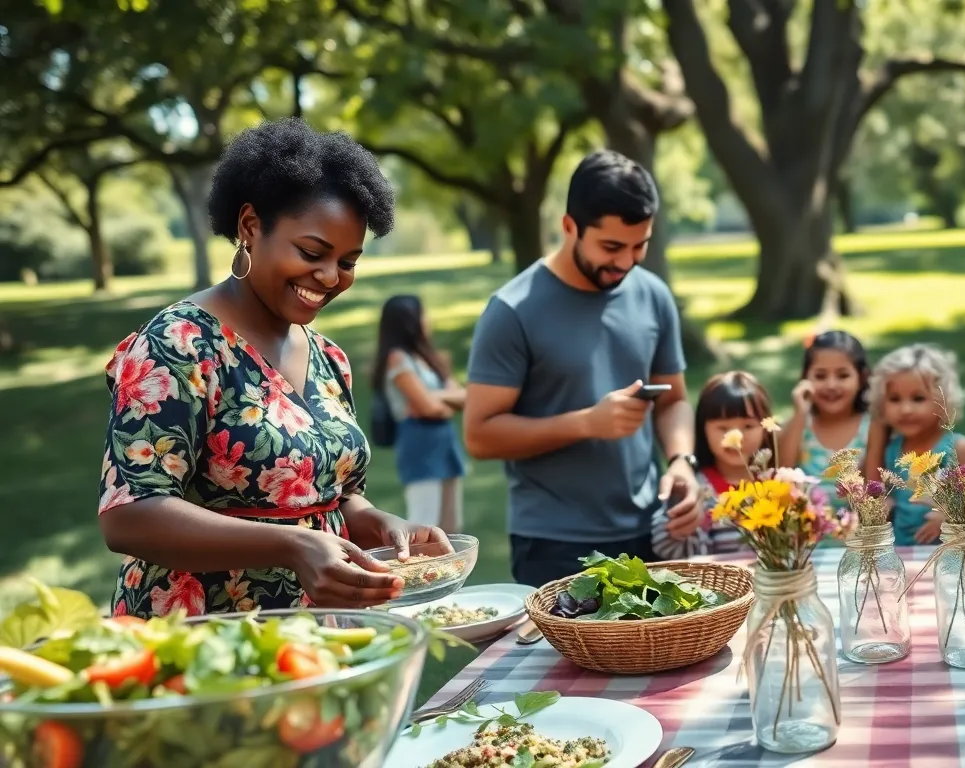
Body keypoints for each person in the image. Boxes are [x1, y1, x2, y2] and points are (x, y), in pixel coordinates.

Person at [97, 119, 449, 618]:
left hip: (319, 635)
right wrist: (290, 547)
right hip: (202, 638)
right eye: (311, 252)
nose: (329, 277)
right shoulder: (180, 345)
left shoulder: (329, 359)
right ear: (249, 227)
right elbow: (130, 517)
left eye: (348, 261)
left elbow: (329, 497)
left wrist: (380, 522)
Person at [463, 150, 698, 587]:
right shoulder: (512, 310)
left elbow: (675, 400)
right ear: (569, 226)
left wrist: (682, 461)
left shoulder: (654, 296)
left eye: (639, 246)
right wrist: (587, 423)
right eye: (611, 247)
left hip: (649, 531)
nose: (626, 262)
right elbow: (479, 435)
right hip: (553, 544)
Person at [373, 295, 469, 533]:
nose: (428, 320)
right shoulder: (398, 358)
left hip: (443, 439)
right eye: (423, 314)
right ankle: (419, 570)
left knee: (451, 524)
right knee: (424, 522)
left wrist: (430, 397)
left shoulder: (428, 358)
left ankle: (451, 570)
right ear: (409, 321)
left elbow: (464, 398)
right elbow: (432, 408)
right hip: (419, 441)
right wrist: (439, 401)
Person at [864, 344, 965, 546]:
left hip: (949, 553)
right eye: (894, 399)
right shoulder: (892, 450)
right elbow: (877, 495)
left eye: (918, 398)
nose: (906, 409)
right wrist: (885, 505)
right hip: (902, 552)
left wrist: (948, 518)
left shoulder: (958, 448)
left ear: (944, 399)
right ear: (882, 403)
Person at [651, 371, 769, 559]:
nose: (736, 437)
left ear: (765, 428)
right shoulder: (694, 489)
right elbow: (666, 548)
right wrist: (680, 530)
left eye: (748, 426)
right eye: (723, 428)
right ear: (702, 430)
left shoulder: (776, 486)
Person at [777, 331, 871, 512]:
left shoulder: (871, 427)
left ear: (861, 378)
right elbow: (782, 472)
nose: (831, 385)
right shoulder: (799, 424)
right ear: (806, 378)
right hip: (806, 537)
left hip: (857, 538)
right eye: (820, 376)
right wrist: (800, 414)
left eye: (843, 376)